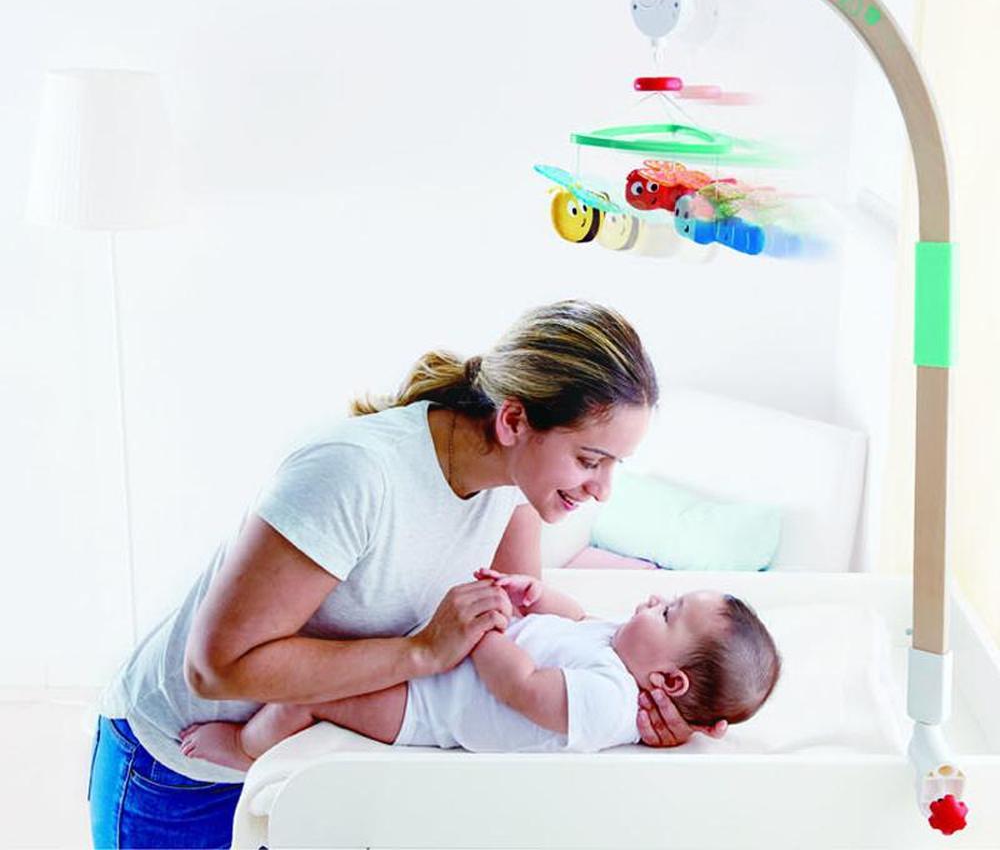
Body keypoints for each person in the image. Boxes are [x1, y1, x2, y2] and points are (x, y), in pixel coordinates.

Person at [88, 299, 714, 849]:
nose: (603, 490)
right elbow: (215, 668)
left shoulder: (512, 487)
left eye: (615, 465)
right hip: (183, 768)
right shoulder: (356, 474)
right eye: (590, 460)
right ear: (514, 421)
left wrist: (633, 697)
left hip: (305, 760)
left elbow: (522, 635)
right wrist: (421, 652)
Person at [177, 575, 781, 767]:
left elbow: (524, 687)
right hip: (434, 672)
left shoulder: (614, 704)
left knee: (311, 695)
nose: (653, 599)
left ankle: (245, 748)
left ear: (669, 682)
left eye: (668, 612)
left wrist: (482, 635)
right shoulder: (618, 645)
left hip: (425, 711)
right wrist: (535, 595)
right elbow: (574, 619)